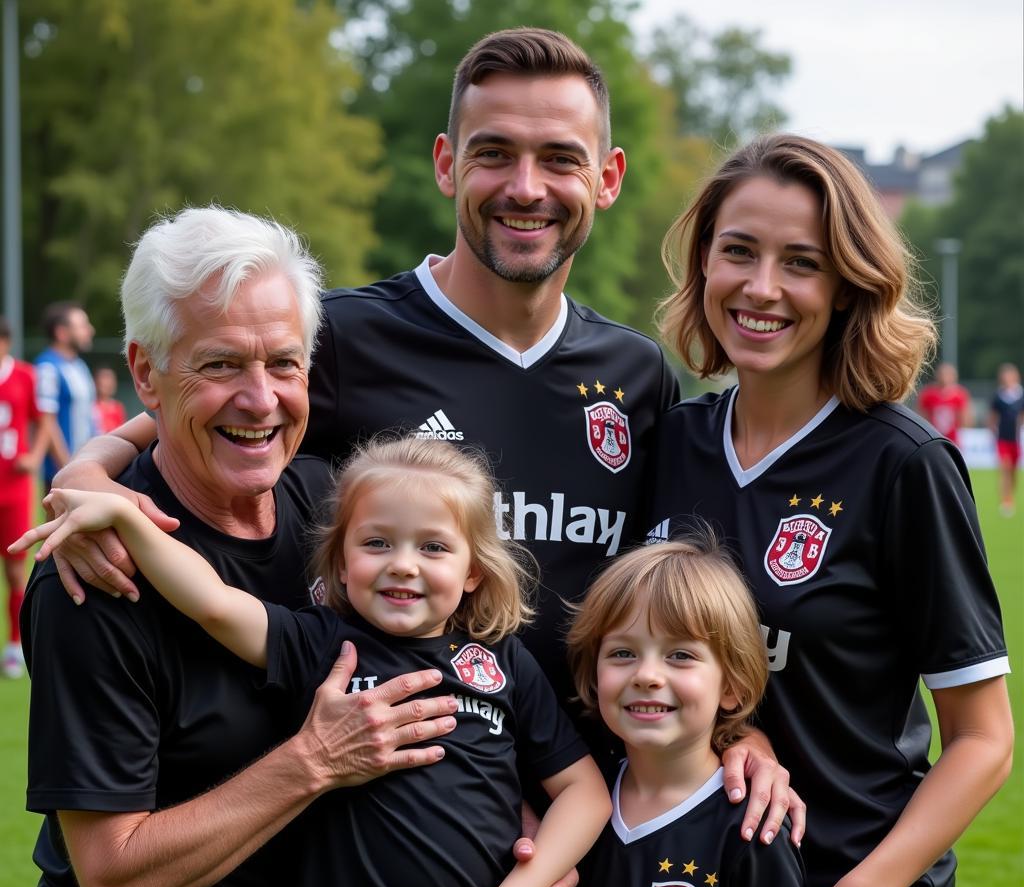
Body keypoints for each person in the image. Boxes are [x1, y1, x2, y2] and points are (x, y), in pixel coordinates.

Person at [49, 28, 795, 843]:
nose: (526, 187)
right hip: (398, 830)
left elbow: (668, 595)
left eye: (559, 159)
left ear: (606, 178)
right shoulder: (347, 339)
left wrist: (736, 729)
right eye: (494, 153)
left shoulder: (635, 372)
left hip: (588, 820)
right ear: (446, 163)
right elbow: (204, 409)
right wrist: (90, 470)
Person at [19, 207, 489, 887]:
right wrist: (314, 759)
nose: (261, 398)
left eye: (283, 362)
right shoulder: (95, 577)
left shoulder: (332, 510)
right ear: (145, 369)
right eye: (220, 365)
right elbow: (115, 883)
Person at [19, 436, 612, 887]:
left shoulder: (503, 664)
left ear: (474, 571)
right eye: (376, 543)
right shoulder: (323, 644)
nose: (402, 563)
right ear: (340, 560)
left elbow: (583, 793)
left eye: (433, 547)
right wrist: (123, 511)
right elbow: (214, 603)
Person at [650, 135, 1013, 887]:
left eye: (801, 264)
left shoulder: (902, 462)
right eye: (738, 250)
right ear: (704, 263)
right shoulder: (673, 446)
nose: (761, 287)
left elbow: (983, 740)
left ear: (849, 285)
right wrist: (738, 734)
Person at [530, 540, 806, 887]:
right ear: (593, 675)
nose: (648, 676)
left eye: (680, 655)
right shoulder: (577, 805)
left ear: (734, 683)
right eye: (622, 653)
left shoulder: (750, 830)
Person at [0, 315, 47, 677]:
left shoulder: (25, 376)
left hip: (14, 487)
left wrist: (34, 454)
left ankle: (15, 645)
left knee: (16, 569)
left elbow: (43, 419)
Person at [34, 300, 97, 488]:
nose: (90, 330)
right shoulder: (47, 367)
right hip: (63, 474)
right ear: (61, 333)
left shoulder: (80, 365)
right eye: (82, 326)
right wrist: (67, 468)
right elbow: (47, 421)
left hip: (85, 468)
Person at [988, 362, 1023, 515]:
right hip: (1002, 439)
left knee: (1013, 471)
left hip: (1016, 439)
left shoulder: (1021, 395)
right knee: (1005, 468)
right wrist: (992, 431)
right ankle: (1005, 500)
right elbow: (992, 418)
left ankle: (1011, 496)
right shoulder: (998, 396)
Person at [916, 361, 973, 446]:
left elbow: (965, 417)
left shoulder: (959, 394)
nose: (944, 378)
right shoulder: (928, 393)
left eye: (948, 375)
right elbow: (921, 415)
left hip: (953, 438)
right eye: (942, 374)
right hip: (933, 436)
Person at [93, 365, 127, 434]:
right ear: (96, 382)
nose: (108, 382)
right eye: (104, 378)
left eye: (110, 379)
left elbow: (122, 431)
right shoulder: (92, 406)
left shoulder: (118, 407)